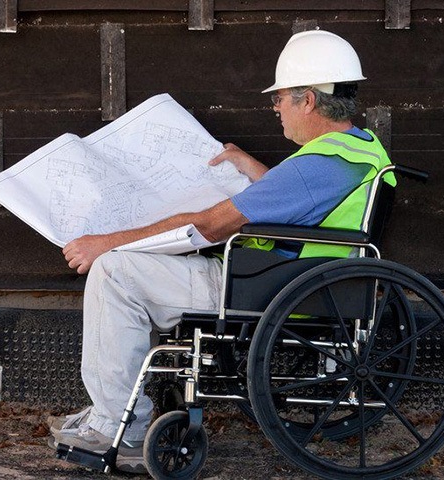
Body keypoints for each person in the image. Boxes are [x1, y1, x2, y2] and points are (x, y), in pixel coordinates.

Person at [48, 30, 394, 473]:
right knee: (136, 268)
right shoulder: (356, 151)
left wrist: (106, 242)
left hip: (262, 289)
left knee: (116, 271)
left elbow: (210, 225)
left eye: (280, 98)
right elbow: (309, 207)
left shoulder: (314, 166)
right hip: (303, 283)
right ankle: (116, 413)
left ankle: (119, 425)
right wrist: (257, 171)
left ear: (308, 100)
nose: (275, 107)